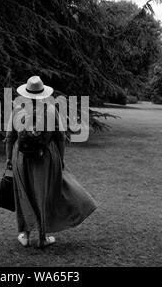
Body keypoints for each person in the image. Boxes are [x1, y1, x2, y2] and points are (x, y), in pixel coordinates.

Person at [5, 76, 97, 248]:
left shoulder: (17, 109)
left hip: (21, 157)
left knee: (23, 193)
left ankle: (24, 234)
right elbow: (60, 137)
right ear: (43, 93)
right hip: (45, 157)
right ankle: (42, 237)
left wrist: (9, 159)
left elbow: (10, 137)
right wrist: (60, 159)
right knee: (43, 194)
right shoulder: (51, 110)